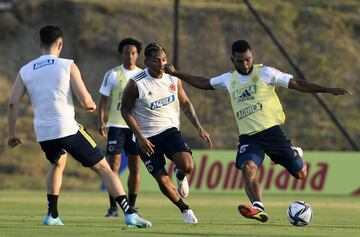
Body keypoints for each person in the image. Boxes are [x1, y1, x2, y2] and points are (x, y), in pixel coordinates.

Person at [164, 39, 352, 223]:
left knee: (300, 175)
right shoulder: (229, 79)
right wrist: (177, 73)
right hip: (249, 137)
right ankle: (258, 207)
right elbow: (204, 83)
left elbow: (296, 84)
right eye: (240, 61)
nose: (245, 64)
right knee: (247, 168)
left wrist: (327, 89)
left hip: (272, 133)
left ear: (252, 56)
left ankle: (295, 152)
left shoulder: (266, 73)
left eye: (248, 59)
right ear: (232, 60)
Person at [7, 25, 152, 228]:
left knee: (58, 163)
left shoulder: (25, 70)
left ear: (40, 44)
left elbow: (13, 103)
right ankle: (130, 213)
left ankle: (52, 214)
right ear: (60, 44)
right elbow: (85, 100)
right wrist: (91, 104)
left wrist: (11, 134)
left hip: (44, 133)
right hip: (67, 129)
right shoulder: (67, 65)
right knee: (105, 168)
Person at [121, 43, 212, 224]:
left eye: (163, 59)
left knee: (188, 166)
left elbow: (185, 103)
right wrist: (140, 137)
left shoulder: (173, 79)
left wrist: (199, 127)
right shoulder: (135, 83)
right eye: (156, 60)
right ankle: (184, 209)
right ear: (146, 61)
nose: (161, 64)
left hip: (169, 131)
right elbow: (125, 110)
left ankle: (179, 176)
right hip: (147, 138)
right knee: (161, 178)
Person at [98, 38, 143, 217]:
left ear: (138, 54)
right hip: (116, 125)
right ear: (121, 54)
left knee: (135, 167)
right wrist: (101, 121)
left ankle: (131, 206)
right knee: (113, 166)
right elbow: (103, 99)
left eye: (133, 53)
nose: (130, 56)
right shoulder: (113, 74)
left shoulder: (143, 75)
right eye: (126, 52)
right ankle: (113, 207)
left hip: (135, 127)